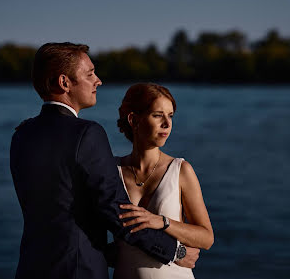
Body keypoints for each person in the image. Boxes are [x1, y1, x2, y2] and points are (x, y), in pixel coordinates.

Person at [10, 42, 198, 279]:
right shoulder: (87, 133)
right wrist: (174, 251)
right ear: (64, 83)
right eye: (90, 74)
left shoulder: (22, 134)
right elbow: (116, 211)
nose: (98, 80)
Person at [113, 83, 214, 279]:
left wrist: (162, 222)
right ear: (133, 120)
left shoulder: (181, 170)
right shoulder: (111, 170)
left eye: (170, 116)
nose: (167, 124)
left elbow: (207, 238)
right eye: (158, 115)